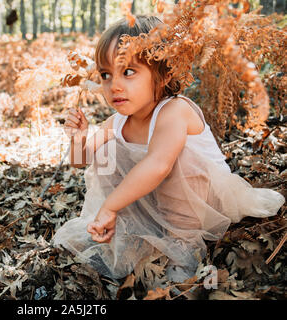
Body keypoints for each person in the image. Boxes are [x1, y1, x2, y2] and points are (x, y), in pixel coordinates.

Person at [52, 16, 285, 283]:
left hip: (204, 201)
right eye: (106, 74)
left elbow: (159, 165)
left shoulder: (175, 111)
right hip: (158, 205)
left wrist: (109, 206)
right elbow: (82, 161)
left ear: (164, 74)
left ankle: (182, 245)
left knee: (174, 158)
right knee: (107, 154)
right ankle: (133, 229)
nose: (114, 85)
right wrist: (79, 138)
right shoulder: (117, 121)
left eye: (128, 71)